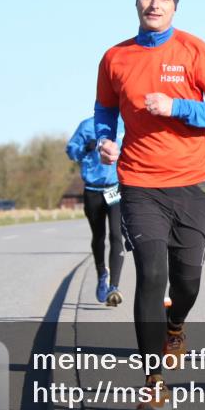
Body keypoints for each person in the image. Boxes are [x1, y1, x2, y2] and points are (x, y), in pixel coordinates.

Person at [95, 0, 205, 410]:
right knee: (151, 276)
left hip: (193, 183)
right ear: (136, 2)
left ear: (175, 6)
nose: (153, 4)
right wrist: (105, 138)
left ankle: (176, 324)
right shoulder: (115, 58)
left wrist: (176, 106)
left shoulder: (194, 50)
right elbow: (103, 111)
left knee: (187, 282)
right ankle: (153, 382)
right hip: (139, 183)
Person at [66, 115, 125, 307]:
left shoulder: (125, 122)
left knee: (117, 235)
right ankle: (102, 275)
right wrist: (85, 148)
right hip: (92, 190)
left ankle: (114, 287)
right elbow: (71, 150)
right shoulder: (87, 126)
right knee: (98, 236)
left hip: (114, 188)